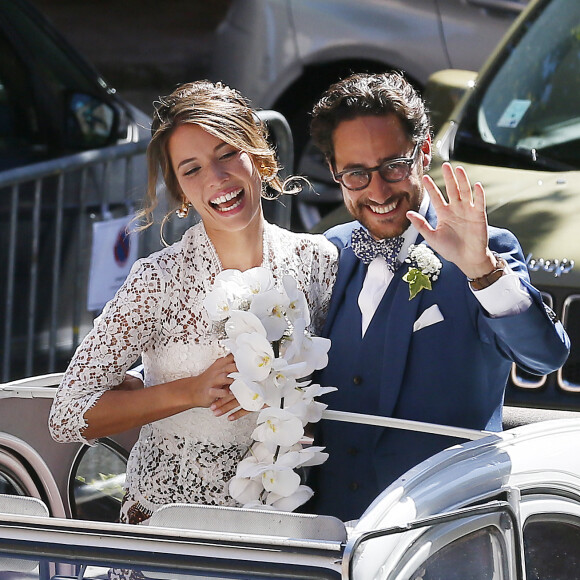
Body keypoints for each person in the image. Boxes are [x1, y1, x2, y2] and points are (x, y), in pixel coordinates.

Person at [48, 80, 338, 525]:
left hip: (280, 527)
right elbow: (68, 414)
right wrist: (190, 391)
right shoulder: (158, 281)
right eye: (192, 169)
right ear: (181, 192)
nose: (217, 179)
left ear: (258, 155)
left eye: (227, 154)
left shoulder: (317, 260)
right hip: (170, 534)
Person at [305, 72, 570, 522]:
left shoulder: (486, 250)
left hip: (446, 532)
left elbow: (544, 356)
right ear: (334, 172)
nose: (378, 190)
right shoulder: (329, 247)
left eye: (393, 166)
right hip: (330, 531)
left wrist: (481, 271)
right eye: (356, 174)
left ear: (423, 152)